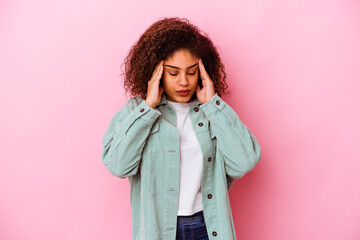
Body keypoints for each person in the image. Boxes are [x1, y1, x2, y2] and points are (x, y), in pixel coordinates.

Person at [101, 17, 261, 240]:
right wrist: (148, 108)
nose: (184, 82)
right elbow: (118, 166)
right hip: (159, 229)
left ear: (203, 71)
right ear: (155, 72)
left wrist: (212, 104)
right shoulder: (136, 112)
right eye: (173, 73)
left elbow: (245, 161)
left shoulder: (213, 112)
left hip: (208, 225)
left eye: (192, 71)